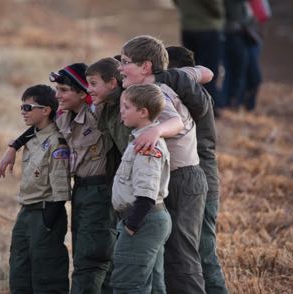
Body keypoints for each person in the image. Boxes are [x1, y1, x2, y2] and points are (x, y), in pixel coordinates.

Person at [0, 63, 118, 294]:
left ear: (83, 93)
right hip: (81, 190)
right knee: (84, 254)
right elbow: (41, 127)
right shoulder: (64, 116)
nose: (57, 96)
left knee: (92, 258)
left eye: (63, 90)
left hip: (101, 189)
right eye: (57, 90)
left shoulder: (99, 112)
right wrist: (14, 145)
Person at [119, 35, 208, 294]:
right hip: (175, 178)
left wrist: (155, 131)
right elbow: (205, 73)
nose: (120, 68)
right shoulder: (151, 89)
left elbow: (176, 122)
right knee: (165, 260)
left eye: (125, 62)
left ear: (146, 67)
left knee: (181, 258)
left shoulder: (157, 92)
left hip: (182, 178)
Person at [165, 46, 229, 294]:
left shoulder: (193, 98)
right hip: (196, 183)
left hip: (199, 185)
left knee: (202, 255)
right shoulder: (183, 97)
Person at [8, 84, 71, 293]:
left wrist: (47, 223)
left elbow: (60, 189)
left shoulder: (56, 142)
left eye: (28, 108)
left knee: (47, 274)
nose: (22, 112)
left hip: (45, 212)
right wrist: (13, 147)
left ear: (45, 110)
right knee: (20, 270)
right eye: (22, 107)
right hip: (26, 210)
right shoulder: (32, 136)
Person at [110, 84, 172, 293]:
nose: (122, 111)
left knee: (128, 285)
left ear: (143, 112)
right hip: (146, 219)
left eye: (126, 107)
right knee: (153, 286)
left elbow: (146, 194)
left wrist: (131, 225)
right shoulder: (139, 138)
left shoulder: (146, 145)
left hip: (142, 219)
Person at [173, 0, 225, 113]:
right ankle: (209, 106)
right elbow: (214, 6)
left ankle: (189, 104)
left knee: (190, 67)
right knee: (209, 69)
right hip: (207, 27)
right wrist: (221, 13)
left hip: (187, 26)